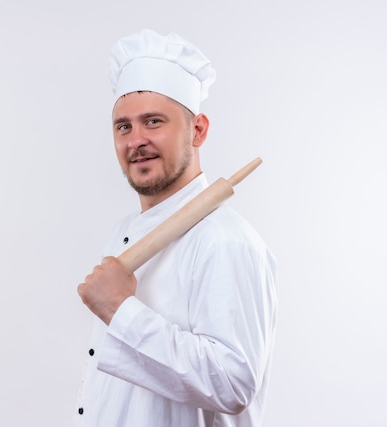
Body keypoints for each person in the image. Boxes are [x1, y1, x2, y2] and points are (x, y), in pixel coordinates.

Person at [74, 28, 278, 427]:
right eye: (123, 127)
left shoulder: (224, 240)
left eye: (153, 121)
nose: (136, 141)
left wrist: (119, 309)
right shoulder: (123, 230)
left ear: (198, 129)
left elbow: (234, 384)